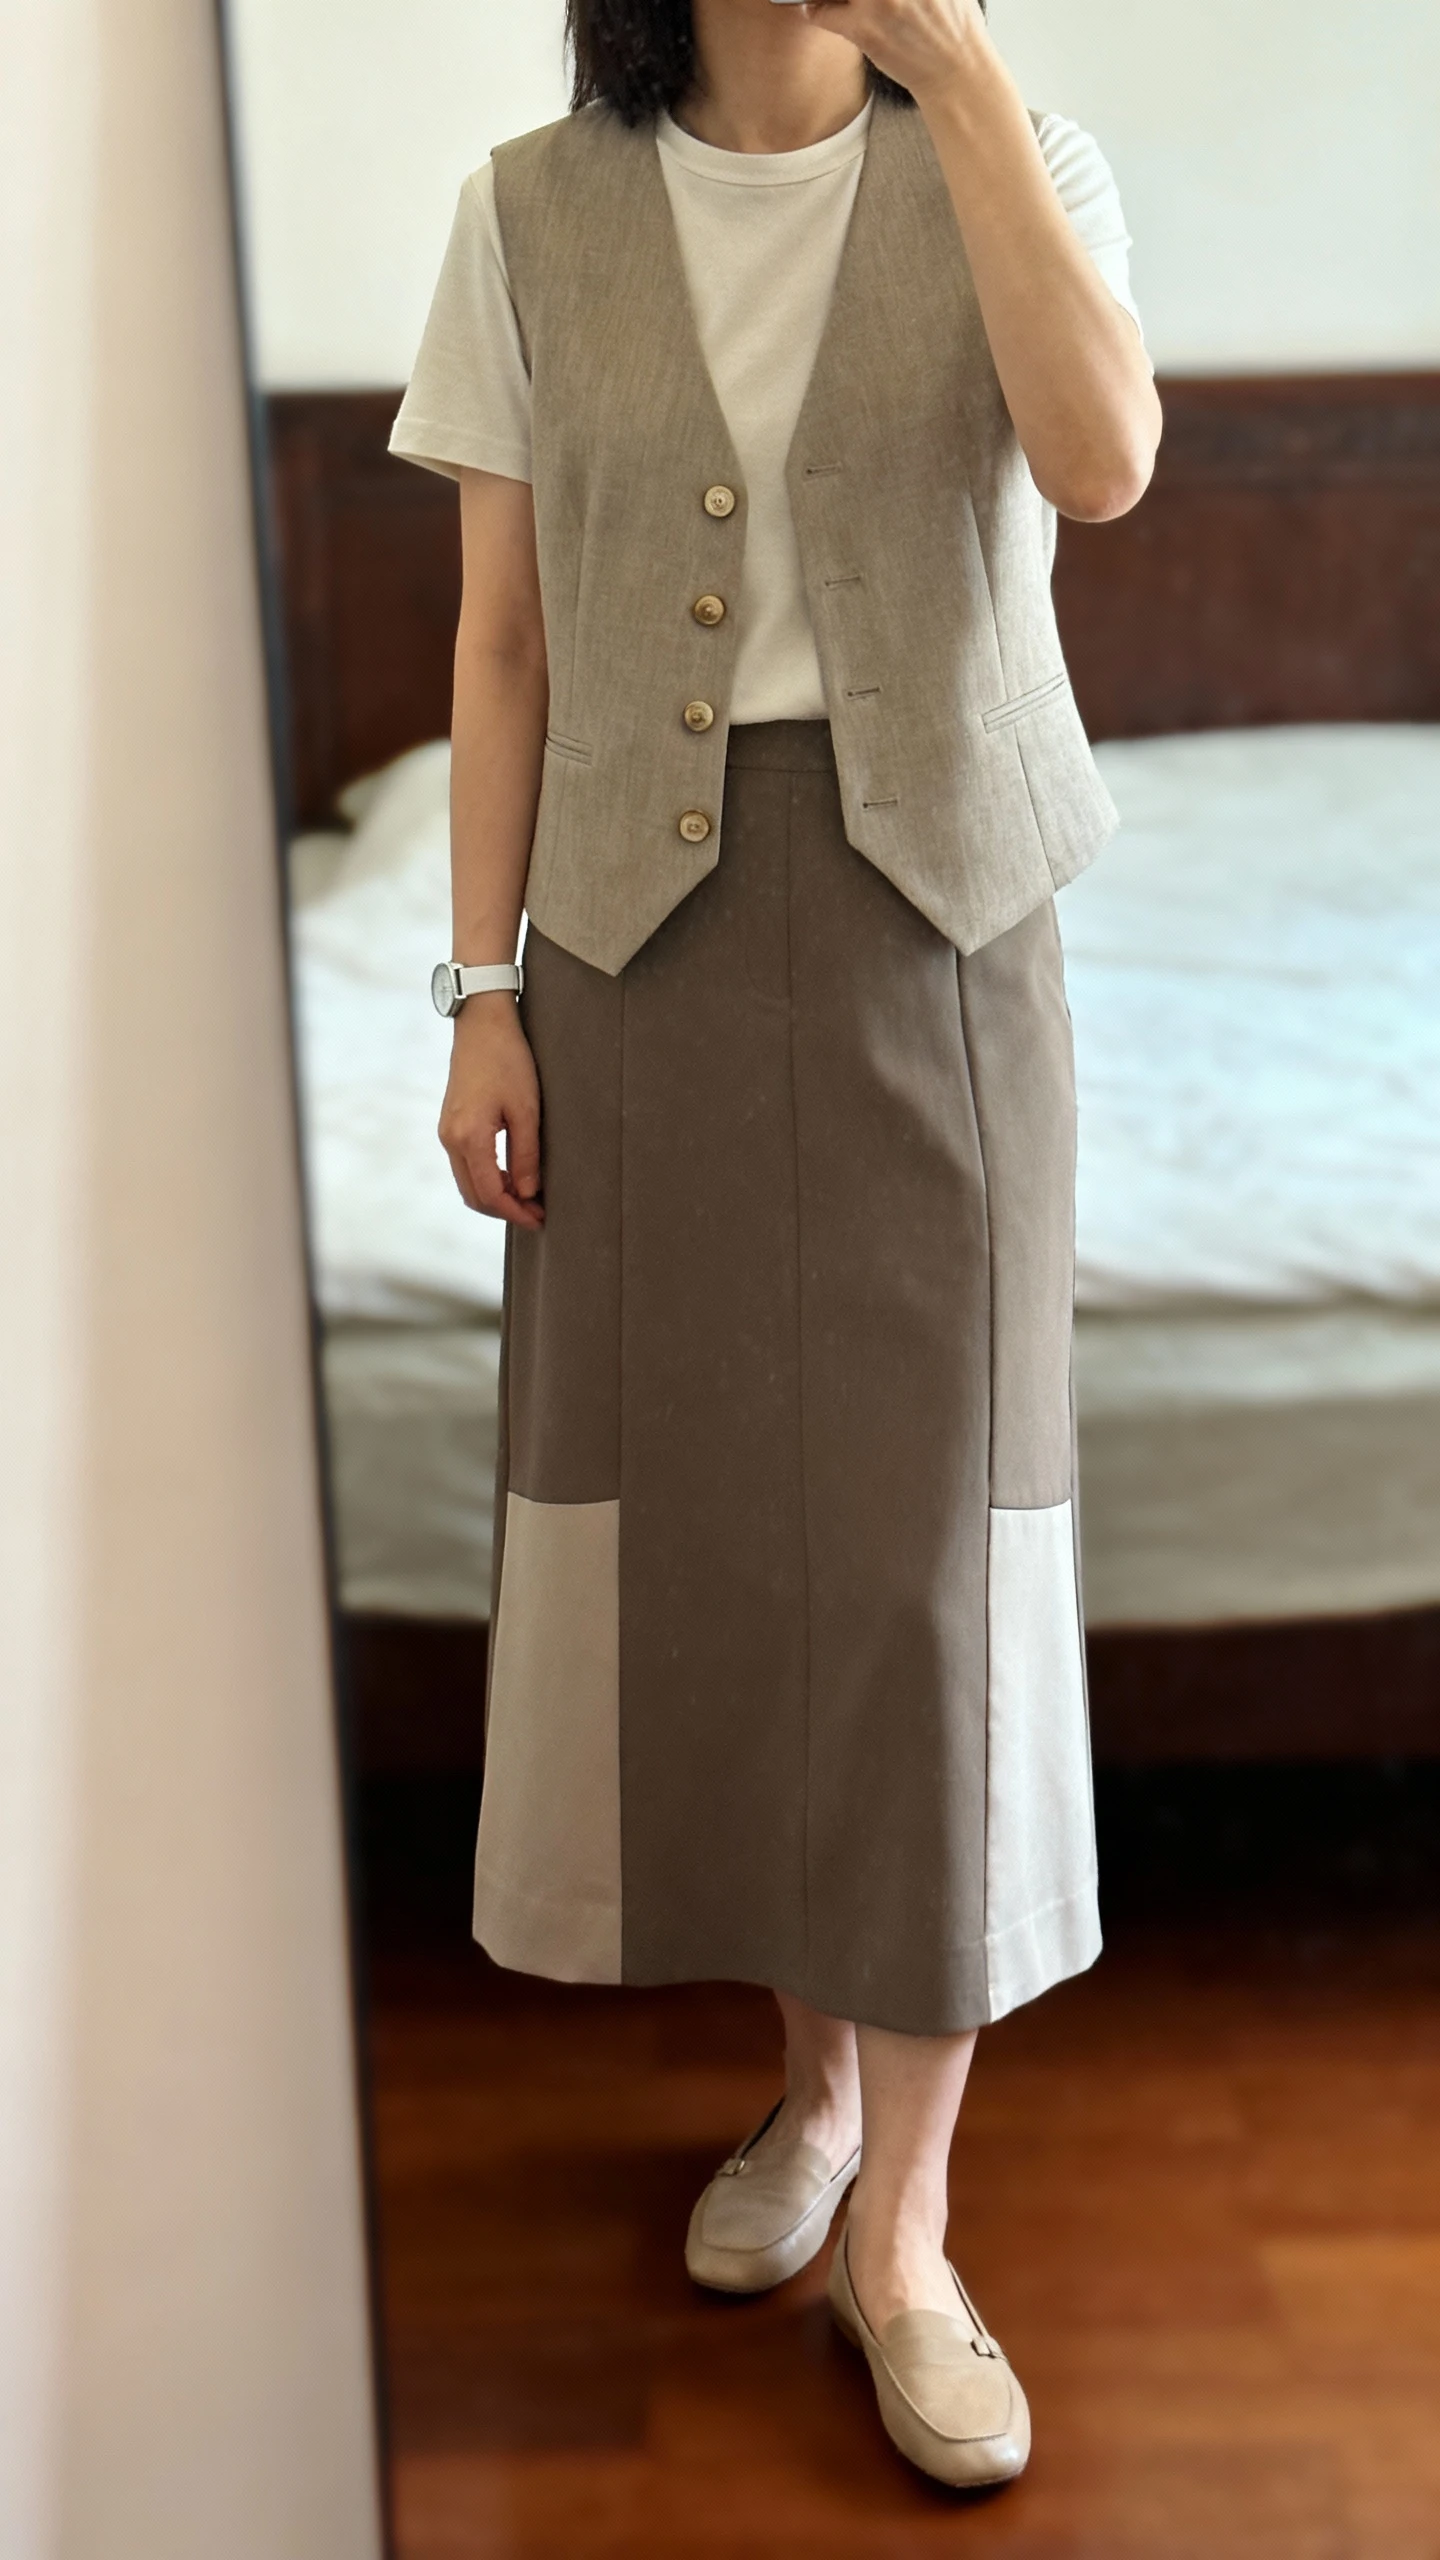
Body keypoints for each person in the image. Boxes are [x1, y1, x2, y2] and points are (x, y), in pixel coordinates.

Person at [391, 0, 1158, 2490]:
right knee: (725, 1552)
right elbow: (504, 643)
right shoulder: (526, 213)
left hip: (944, 945)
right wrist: (486, 996)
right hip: (637, 960)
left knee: (927, 1563)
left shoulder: (1019, 158)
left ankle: (909, 2233)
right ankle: (809, 2095)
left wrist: (962, 86)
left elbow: (1108, 461)